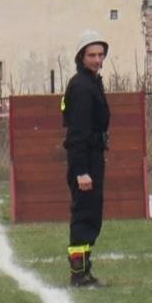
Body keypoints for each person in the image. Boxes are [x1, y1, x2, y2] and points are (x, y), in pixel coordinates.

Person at [62, 30, 110, 287]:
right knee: (84, 216)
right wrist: (81, 171)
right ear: (81, 57)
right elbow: (77, 134)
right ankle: (78, 274)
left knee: (92, 215)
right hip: (85, 160)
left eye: (100, 55)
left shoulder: (92, 82)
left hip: (94, 156)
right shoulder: (82, 87)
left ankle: (84, 270)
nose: (97, 59)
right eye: (91, 55)